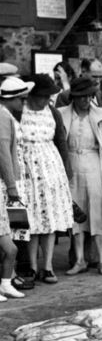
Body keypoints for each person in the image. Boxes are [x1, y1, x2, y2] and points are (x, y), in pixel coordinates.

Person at [13, 75, 74, 284]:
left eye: (49, 96)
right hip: (27, 170)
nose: (46, 100)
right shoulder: (19, 112)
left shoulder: (53, 113)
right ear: (32, 95)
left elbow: (61, 141)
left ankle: (47, 267)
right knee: (31, 220)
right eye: (42, 96)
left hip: (50, 169)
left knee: (49, 218)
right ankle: (31, 265)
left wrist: (66, 170)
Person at [59, 77, 102, 276]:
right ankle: (79, 260)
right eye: (82, 97)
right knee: (76, 214)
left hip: (95, 163)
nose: (86, 100)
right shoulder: (62, 114)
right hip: (72, 164)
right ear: (74, 97)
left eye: (89, 96)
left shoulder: (100, 114)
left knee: (98, 211)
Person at [0, 77, 33, 300]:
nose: (24, 103)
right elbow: (2, 152)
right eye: (21, 99)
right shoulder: (3, 116)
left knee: (8, 237)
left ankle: (5, 281)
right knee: (6, 240)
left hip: (5, 182)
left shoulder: (6, 115)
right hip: (3, 184)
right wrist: (12, 186)